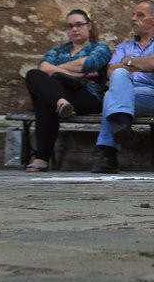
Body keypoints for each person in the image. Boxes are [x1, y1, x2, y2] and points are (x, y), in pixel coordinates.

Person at [91, 0, 154, 174]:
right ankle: (123, 123)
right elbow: (110, 71)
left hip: (150, 94)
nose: (133, 18)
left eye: (140, 15)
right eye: (132, 14)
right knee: (117, 79)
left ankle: (108, 156)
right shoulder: (125, 46)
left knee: (111, 95)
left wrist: (128, 61)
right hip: (123, 91)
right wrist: (145, 62)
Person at [23, 9, 111, 171]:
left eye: (79, 24)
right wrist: (79, 75)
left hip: (86, 95)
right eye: (69, 26)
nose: (74, 29)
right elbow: (42, 67)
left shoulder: (99, 48)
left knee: (47, 95)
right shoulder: (59, 49)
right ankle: (61, 103)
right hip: (60, 94)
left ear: (89, 26)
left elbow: (88, 63)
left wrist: (55, 71)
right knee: (33, 75)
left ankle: (42, 158)